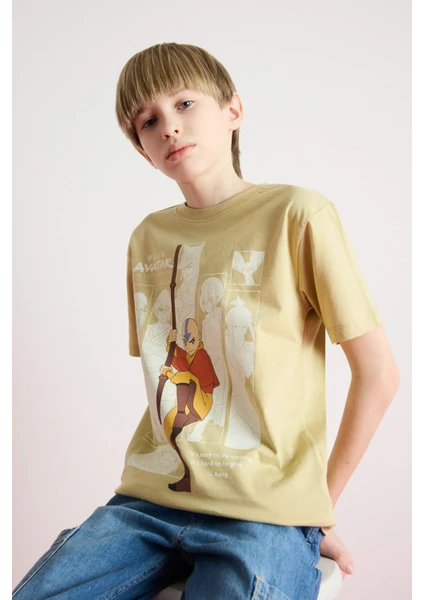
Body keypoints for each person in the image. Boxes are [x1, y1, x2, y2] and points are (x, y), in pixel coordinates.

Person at [13, 42, 400, 600]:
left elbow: (379, 373)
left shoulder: (298, 214)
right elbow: (167, 371)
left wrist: (318, 509)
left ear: (233, 110)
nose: (169, 126)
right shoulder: (148, 237)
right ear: (143, 150)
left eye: (185, 103)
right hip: (148, 503)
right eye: (148, 121)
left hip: (263, 513)